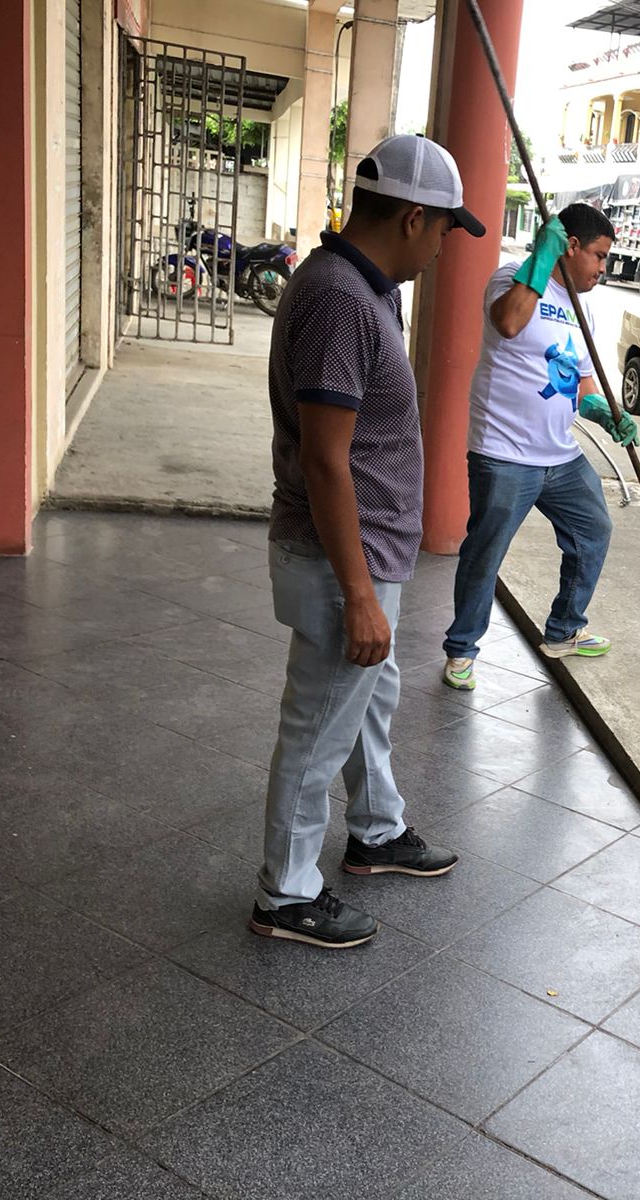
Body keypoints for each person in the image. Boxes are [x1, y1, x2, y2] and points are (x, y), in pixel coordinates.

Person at [251, 135, 481, 950]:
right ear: (413, 218)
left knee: (369, 701)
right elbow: (325, 458)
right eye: (445, 228)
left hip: (363, 552)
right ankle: (285, 894)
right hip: (338, 560)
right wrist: (357, 595)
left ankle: (377, 830)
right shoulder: (341, 300)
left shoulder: (366, 289)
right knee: (318, 725)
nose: (446, 245)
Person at [441, 203, 638, 691]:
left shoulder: (583, 308)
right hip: (504, 452)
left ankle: (564, 630)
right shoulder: (511, 278)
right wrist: (542, 257)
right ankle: (462, 648)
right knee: (486, 552)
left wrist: (605, 411)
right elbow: (508, 323)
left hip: (560, 454)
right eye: (598, 255)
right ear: (570, 246)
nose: (603, 268)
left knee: (593, 529)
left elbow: (583, 380)